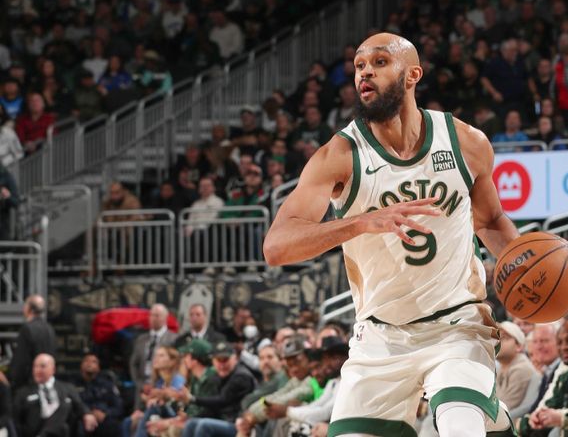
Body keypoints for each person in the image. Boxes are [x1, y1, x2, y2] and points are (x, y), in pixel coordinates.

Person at [264, 33, 529, 436]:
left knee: (459, 424)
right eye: (359, 65)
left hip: (456, 323)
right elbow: (276, 247)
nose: (365, 71)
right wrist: (359, 222)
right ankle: (495, 418)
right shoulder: (339, 156)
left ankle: (478, 411)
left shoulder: (465, 142)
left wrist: (533, 268)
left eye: (380, 62)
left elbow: (490, 222)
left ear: (412, 75)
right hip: (380, 338)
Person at [178, 342, 257, 437]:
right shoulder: (218, 376)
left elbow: (222, 400)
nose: (222, 365)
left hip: (238, 424)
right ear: (213, 361)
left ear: (235, 359)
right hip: (223, 420)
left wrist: (193, 399)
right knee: (191, 424)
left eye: (225, 360)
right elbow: (212, 409)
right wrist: (189, 418)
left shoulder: (241, 376)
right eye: (219, 360)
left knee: (205, 426)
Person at [13, 354, 98, 437]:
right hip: (35, 430)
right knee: (65, 406)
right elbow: (14, 418)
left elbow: (80, 405)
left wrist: (87, 414)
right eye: (35, 366)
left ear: (53, 369)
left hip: (60, 432)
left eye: (42, 366)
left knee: (65, 407)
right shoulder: (23, 392)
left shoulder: (67, 388)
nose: (37, 370)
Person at [7, 294, 57, 390]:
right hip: (47, 381)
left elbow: (21, 359)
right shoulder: (49, 328)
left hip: (29, 384)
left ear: (29, 309)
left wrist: (12, 380)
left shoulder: (27, 328)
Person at [129, 304, 177, 402]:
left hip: (162, 387)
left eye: (157, 315)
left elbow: (176, 364)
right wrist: (140, 384)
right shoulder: (140, 339)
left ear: (165, 318)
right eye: (151, 315)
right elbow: (133, 363)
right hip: (142, 388)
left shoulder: (174, 339)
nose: (153, 318)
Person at [75, 353, 124, 437]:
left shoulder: (108, 385)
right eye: (86, 361)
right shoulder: (73, 385)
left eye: (94, 362)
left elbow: (119, 407)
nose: (89, 363)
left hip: (105, 419)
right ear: (81, 365)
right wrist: (87, 413)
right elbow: (73, 405)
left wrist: (105, 414)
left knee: (113, 425)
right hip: (83, 418)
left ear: (98, 368)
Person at [496, 322, 536, 412]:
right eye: (496, 338)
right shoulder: (501, 367)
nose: (497, 342)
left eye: (504, 338)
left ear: (519, 346)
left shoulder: (521, 369)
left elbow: (503, 409)